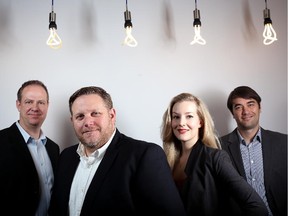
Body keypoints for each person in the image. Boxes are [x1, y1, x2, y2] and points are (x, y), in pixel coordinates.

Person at [48, 86, 186, 216]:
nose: (88, 122)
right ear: (72, 121)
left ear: (112, 115)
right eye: (80, 116)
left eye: (95, 113)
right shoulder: (66, 157)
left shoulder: (145, 155)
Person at [160, 92, 269, 216]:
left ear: (200, 122)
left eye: (189, 116)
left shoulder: (215, 157)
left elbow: (256, 206)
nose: (181, 123)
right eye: (176, 117)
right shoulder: (166, 160)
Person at [220, 86, 287, 216]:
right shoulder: (218, 146)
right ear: (232, 113)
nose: (246, 111)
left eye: (251, 104)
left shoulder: (283, 143)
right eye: (238, 107)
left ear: (260, 107)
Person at [0, 80, 60, 216]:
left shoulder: (53, 148)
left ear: (47, 106)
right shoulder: (2, 141)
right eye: (29, 102)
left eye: (41, 102)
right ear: (18, 105)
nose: (35, 107)